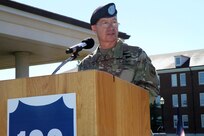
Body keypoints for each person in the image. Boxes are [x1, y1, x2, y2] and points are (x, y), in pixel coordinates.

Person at [78, 3, 159, 101]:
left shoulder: (136, 55)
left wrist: (125, 103)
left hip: (128, 114)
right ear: (94, 28)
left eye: (114, 22)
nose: (111, 27)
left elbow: (152, 89)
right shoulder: (86, 64)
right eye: (105, 23)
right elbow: (82, 95)